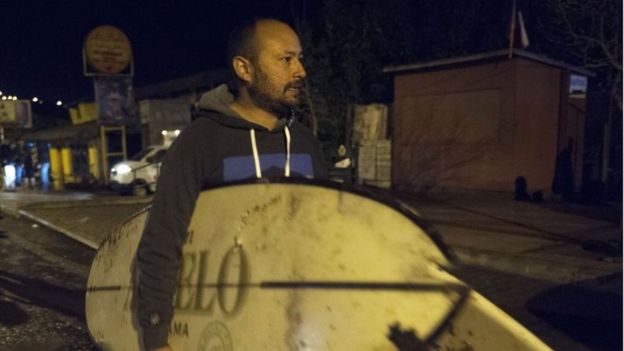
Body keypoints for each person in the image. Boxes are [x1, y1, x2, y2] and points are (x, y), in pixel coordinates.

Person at [136, 18, 328, 351]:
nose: (300, 71)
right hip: (221, 331)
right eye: (285, 59)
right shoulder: (199, 143)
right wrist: (156, 337)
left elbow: (327, 235)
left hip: (298, 329)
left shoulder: (306, 143)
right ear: (244, 68)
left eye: (300, 58)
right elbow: (163, 241)